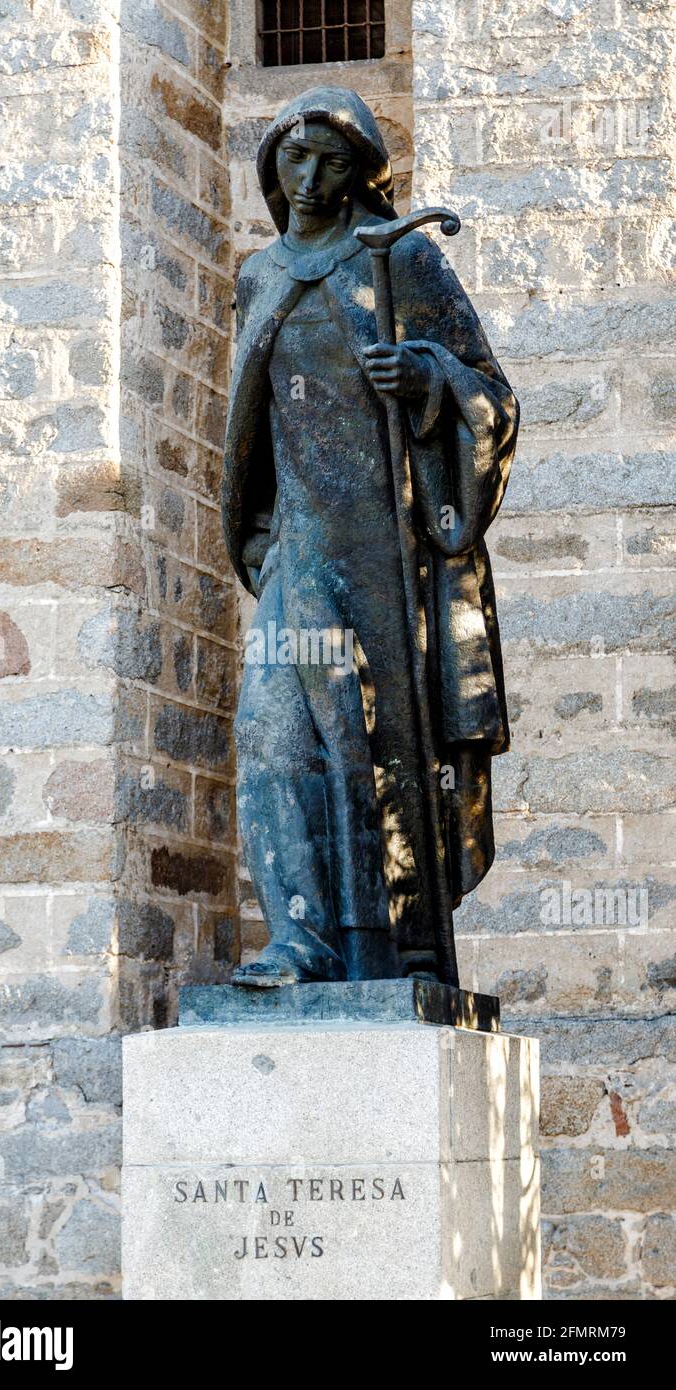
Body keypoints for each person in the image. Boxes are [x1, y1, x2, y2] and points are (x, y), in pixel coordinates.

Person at [221, 88, 518, 987]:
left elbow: (492, 398)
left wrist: (425, 374)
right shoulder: (260, 276)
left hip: (388, 558)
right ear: (272, 162)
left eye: (331, 162)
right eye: (293, 159)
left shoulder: (402, 264)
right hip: (301, 552)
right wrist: (266, 538)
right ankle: (299, 937)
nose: (308, 179)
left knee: (373, 744)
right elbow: (252, 430)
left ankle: (383, 949)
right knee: (271, 733)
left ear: (362, 175)